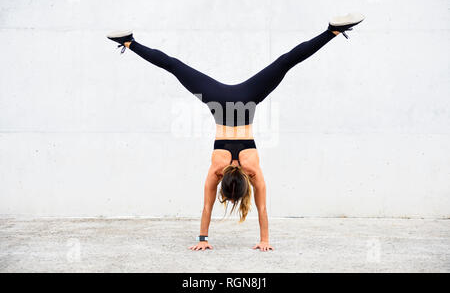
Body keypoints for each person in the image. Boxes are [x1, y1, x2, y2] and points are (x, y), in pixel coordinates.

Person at [107, 13, 365, 252]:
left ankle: (332, 31)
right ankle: (129, 42)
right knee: (175, 66)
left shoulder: (252, 169)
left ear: (245, 187)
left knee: (286, 61)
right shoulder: (216, 170)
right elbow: (207, 206)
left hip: (247, 99)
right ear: (225, 186)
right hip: (218, 101)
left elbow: (262, 208)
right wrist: (203, 239)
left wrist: (264, 240)